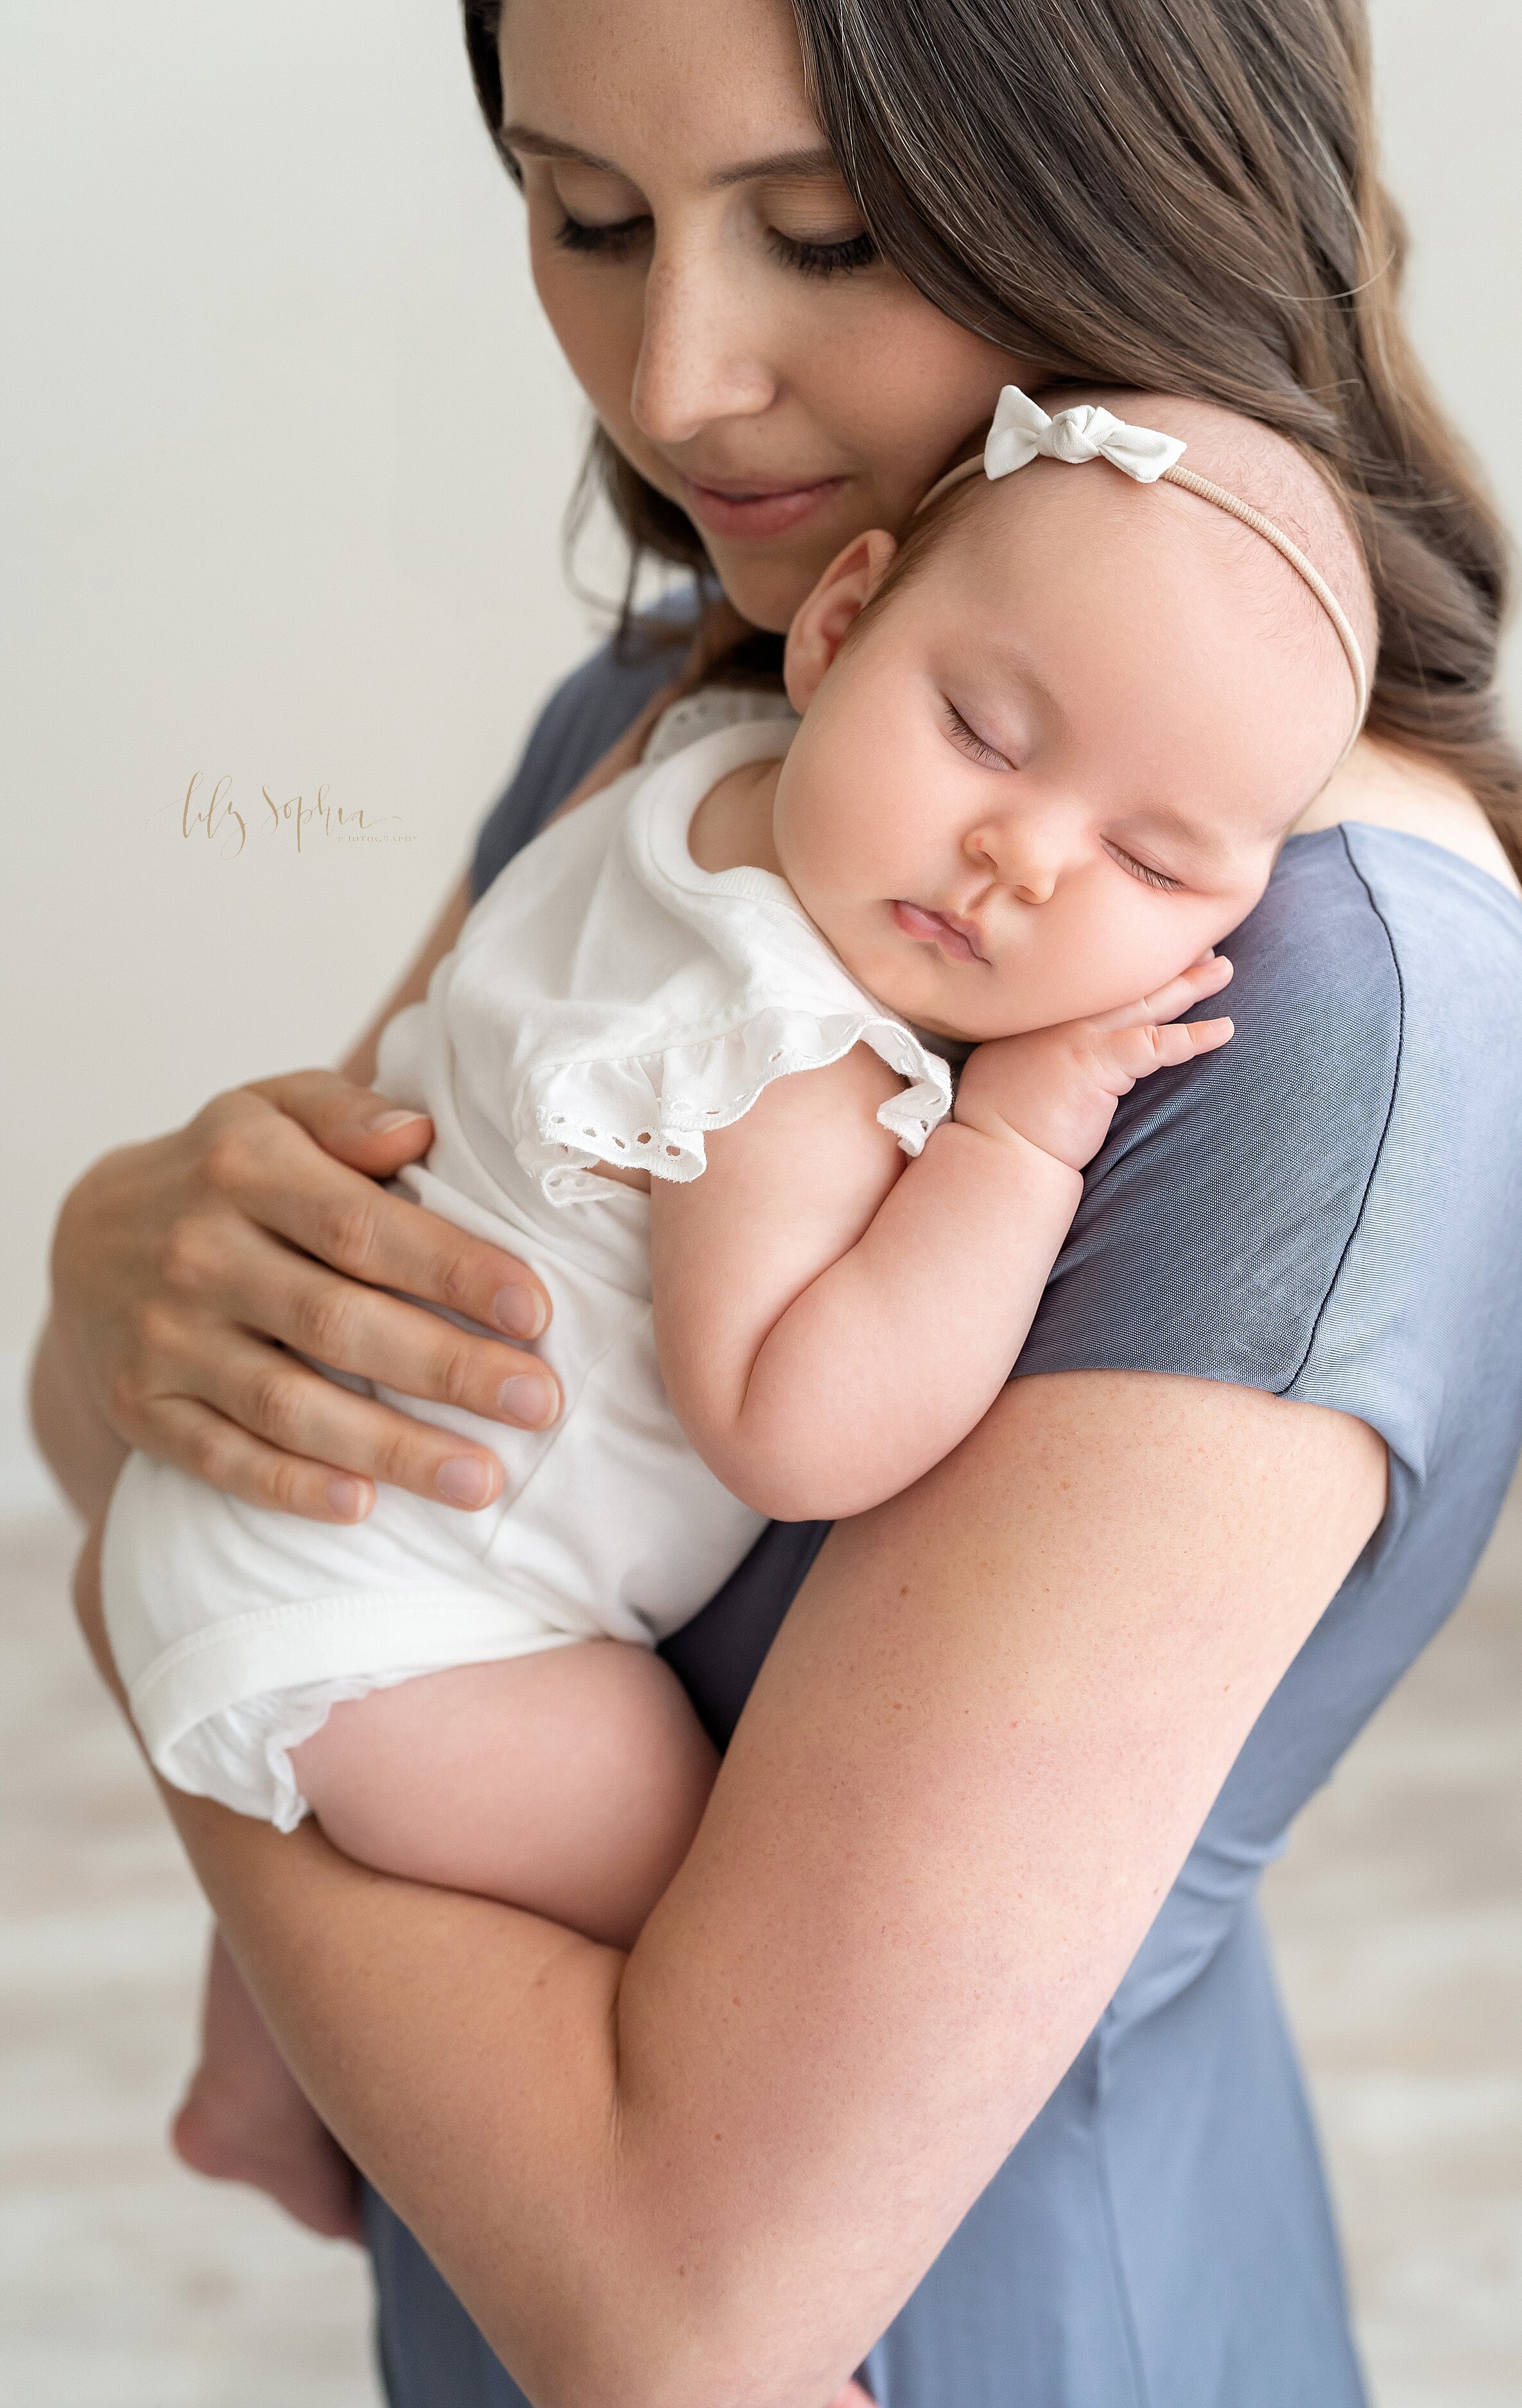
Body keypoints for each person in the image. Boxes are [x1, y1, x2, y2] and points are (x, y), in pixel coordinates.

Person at [33, 0, 1522, 2400]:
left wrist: (179, 1629)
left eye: (826, 234)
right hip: (466, 2248)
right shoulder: (676, 730)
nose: (672, 384)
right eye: (582, 216)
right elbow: (285, 1407)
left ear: (1148, 190)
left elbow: (681, 2312)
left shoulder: (1295, 1005)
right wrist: (118, 1283)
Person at [99, 385, 1371, 2248]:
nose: (1019, 858)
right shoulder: (783, 1056)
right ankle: (717, 2325)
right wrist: (1015, 1136)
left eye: (1157, 866)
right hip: (394, 1617)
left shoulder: (692, 766)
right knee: (722, 1944)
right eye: (980, 733)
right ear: (842, 621)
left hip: (286, 1514)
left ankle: (250, 2091)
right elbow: (797, 1424)